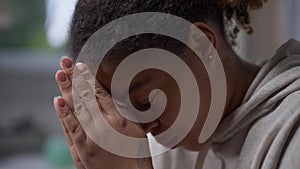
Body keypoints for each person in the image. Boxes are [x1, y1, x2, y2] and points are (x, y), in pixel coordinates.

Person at [53, 0, 300, 168]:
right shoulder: (172, 151)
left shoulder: (292, 133)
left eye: (144, 101)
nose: (142, 127)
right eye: (121, 109)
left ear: (202, 45)